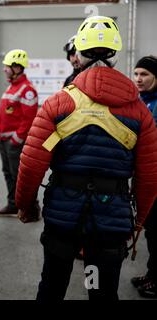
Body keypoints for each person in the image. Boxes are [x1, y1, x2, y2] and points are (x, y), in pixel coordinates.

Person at [15, 15, 157, 301]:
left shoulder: (58, 102)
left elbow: (32, 163)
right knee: (100, 290)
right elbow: (149, 175)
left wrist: (26, 206)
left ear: (78, 55)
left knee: (52, 285)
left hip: (62, 215)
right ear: (115, 57)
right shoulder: (140, 112)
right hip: (111, 219)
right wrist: (139, 221)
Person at [0, 49, 40, 219]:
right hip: (4, 140)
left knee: (21, 177)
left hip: (15, 142)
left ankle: (31, 209)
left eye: (7, 66)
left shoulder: (27, 90)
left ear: (17, 67)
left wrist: (16, 139)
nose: (4, 69)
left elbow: (29, 119)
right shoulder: (12, 87)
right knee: (8, 174)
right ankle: (13, 205)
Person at [131, 55, 157, 298]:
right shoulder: (143, 101)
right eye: (137, 73)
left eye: (145, 74)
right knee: (150, 229)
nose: (139, 79)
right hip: (147, 176)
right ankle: (152, 274)